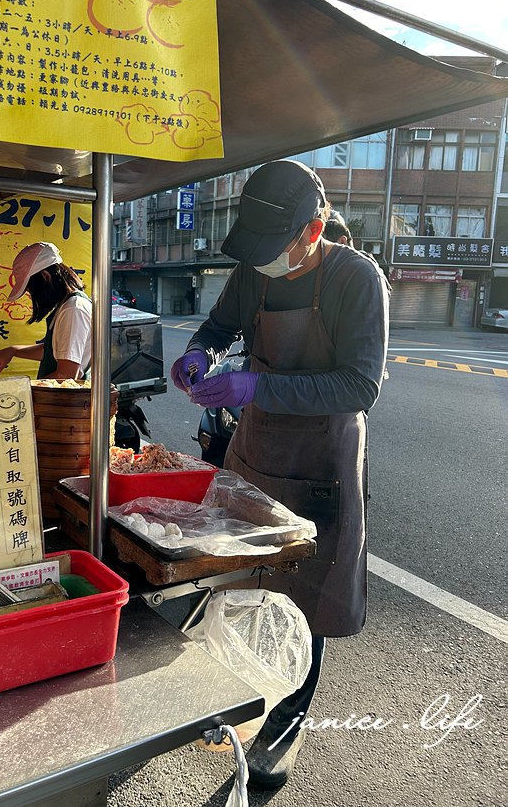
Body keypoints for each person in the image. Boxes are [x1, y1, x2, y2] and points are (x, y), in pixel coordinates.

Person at [170, 160, 390, 790]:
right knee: (240, 580)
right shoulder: (254, 271)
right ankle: (240, 698)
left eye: (274, 248)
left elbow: (359, 386)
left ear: (313, 231)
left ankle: (284, 727)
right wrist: (200, 352)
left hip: (321, 460)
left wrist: (256, 386)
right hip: (258, 448)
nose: (261, 262)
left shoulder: (357, 279)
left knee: (305, 599)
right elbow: (219, 326)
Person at [0, 241, 92, 380]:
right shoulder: (67, 305)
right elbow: (54, 352)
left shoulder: (73, 310)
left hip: (66, 395)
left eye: (32, 290)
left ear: (46, 276)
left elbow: (65, 376)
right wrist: (13, 350)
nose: (32, 297)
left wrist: (23, 389)